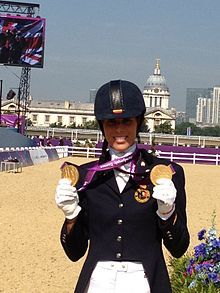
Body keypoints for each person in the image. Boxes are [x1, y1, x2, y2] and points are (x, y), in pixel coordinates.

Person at [55, 80, 190, 293]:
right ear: (102, 126)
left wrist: (167, 214)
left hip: (146, 282)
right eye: (110, 122)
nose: (119, 130)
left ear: (138, 122)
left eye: (126, 121)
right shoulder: (86, 176)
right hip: (98, 283)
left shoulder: (166, 172)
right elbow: (74, 252)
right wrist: (71, 215)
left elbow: (179, 247)